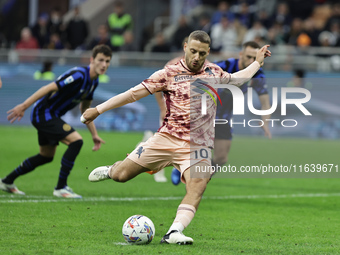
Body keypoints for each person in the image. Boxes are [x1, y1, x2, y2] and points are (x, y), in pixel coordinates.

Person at [81, 30, 271, 244]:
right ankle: (111, 170)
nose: (196, 57)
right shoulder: (168, 73)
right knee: (121, 175)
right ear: (184, 48)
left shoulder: (214, 72)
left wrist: (257, 63)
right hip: (166, 139)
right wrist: (98, 110)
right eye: (192, 51)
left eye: (201, 53)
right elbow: (133, 94)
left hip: (197, 146)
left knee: (199, 183)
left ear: (208, 52)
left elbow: (237, 79)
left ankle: (174, 232)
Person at [0, 45, 112, 198]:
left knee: (46, 156)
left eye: (107, 61)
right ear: (92, 60)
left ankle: (7, 181)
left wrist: (94, 134)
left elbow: (85, 109)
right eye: (100, 60)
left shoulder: (94, 82)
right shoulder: (79, 74)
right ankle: (61, 188)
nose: (104, 64)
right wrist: (24, 106)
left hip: (51, 116)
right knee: (76, 141)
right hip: (43, 113)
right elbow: (48, 88)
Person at [171, 41, 272, 185]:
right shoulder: (226, 65)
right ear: (241, 54)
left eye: (254, 58)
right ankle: (186, 173)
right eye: (249, 56)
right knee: (199, 150)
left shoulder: (258, 74)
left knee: (221, 158)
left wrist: (265, 122)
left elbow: (265, 103)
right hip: (204, 114)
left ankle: (196, 176)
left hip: (223, 118)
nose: (251, 61)